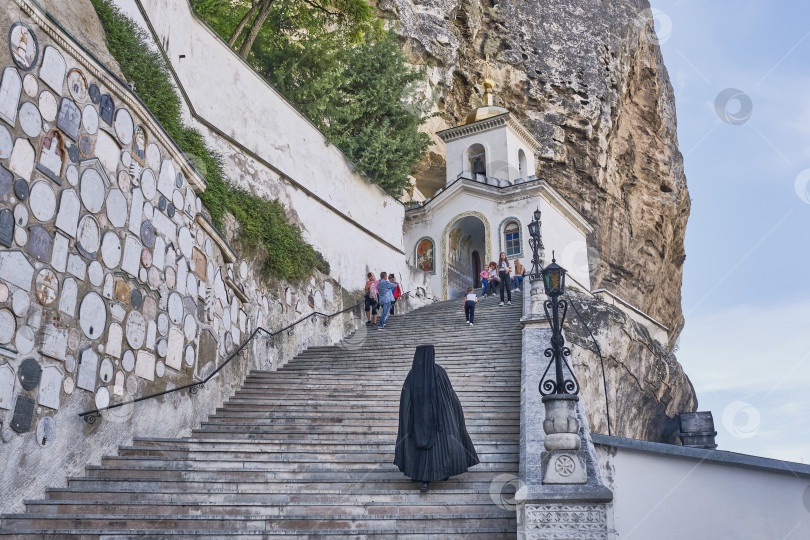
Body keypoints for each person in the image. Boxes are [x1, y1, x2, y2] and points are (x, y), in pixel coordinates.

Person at [394, 345, 479, 492]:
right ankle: (435, 475)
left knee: (421, 451)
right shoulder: (438, 372)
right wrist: (452, 414)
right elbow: (450, 396)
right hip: (437, 421)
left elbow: (405, 400)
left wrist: (408, 419)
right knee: (437, 450)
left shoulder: (412, 374)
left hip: (418, 422)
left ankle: (421, 477)